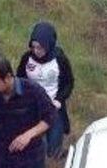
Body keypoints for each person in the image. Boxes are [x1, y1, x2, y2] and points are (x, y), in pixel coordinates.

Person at [17, 22, 74, 159]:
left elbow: (69, 82)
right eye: (34, 47)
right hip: (32, 106)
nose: (37, 51)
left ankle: (59, 157)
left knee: (53, 148)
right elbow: (19, 79)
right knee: (35, 146)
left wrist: (59, 100)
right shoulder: (27, 58)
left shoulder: (59, 58)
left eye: (40, 48)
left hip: (53, 106)